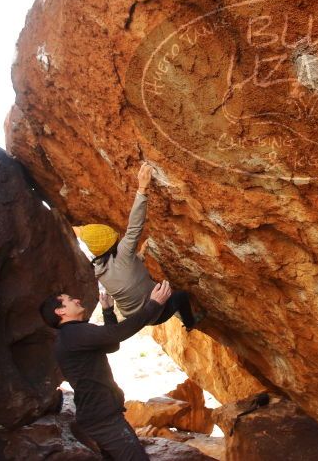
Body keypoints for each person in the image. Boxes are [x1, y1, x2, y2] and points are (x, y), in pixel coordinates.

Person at [39, 282, 172, 460]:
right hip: (103, 419)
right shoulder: (73, 334)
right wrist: (153, 305)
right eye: (70, 300)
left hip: (99, 415)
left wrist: (108, 311)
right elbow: (117, 334)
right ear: (60, 311)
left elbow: (111, 345)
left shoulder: (71, 335)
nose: (77, 300)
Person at [74, 163, 204, 330]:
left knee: (154, 285)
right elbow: (135, 226)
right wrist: (142, 187)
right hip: (155, 313)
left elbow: (127, 274)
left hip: (134, 318)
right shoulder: (123, 254)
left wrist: (141, 254)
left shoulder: (99, 270)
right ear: (111, 244)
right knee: (181, 296)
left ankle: (176, 312)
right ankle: (190, 323)